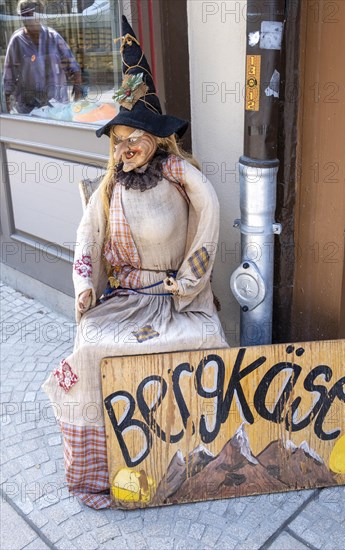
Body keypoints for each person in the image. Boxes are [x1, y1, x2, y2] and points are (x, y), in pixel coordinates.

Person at [42, 15, 228, 509]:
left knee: (205, 339)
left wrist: (189, 280)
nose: (126, 149)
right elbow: (87, 237)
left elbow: (210, 213)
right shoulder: (108, 188)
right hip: (127, 299)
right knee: (91, 349)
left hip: (178, 294)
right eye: (118, 140)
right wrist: (84, 285)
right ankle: (104, 467)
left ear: (157, 137)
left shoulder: (179, 175)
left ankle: (198, 457)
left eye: (135, 138)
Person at [3, 0, 83, 114]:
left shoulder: (54, 37)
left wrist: (77, 104)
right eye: (23, 15)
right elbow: (8, 78)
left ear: (40, 15)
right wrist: (6, 112)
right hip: (27, 109)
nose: (27, 20)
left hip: (56, 107)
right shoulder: (17, 40)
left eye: (30, 15)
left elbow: (74, 69)